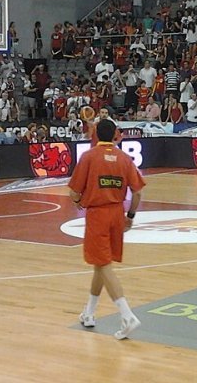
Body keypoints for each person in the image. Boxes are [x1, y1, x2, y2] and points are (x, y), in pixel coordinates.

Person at [69, 119, 145, 340]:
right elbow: (138, 192)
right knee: (100, 265)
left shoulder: (89, 156)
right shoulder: (124, 158)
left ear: (95, 133)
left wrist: (78, 202)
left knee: (103, 264)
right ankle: (89, 313)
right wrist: (130, 216)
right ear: (115, 135)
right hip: (117, 214)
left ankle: (127, 315)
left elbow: (74, 192)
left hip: (98, 214)